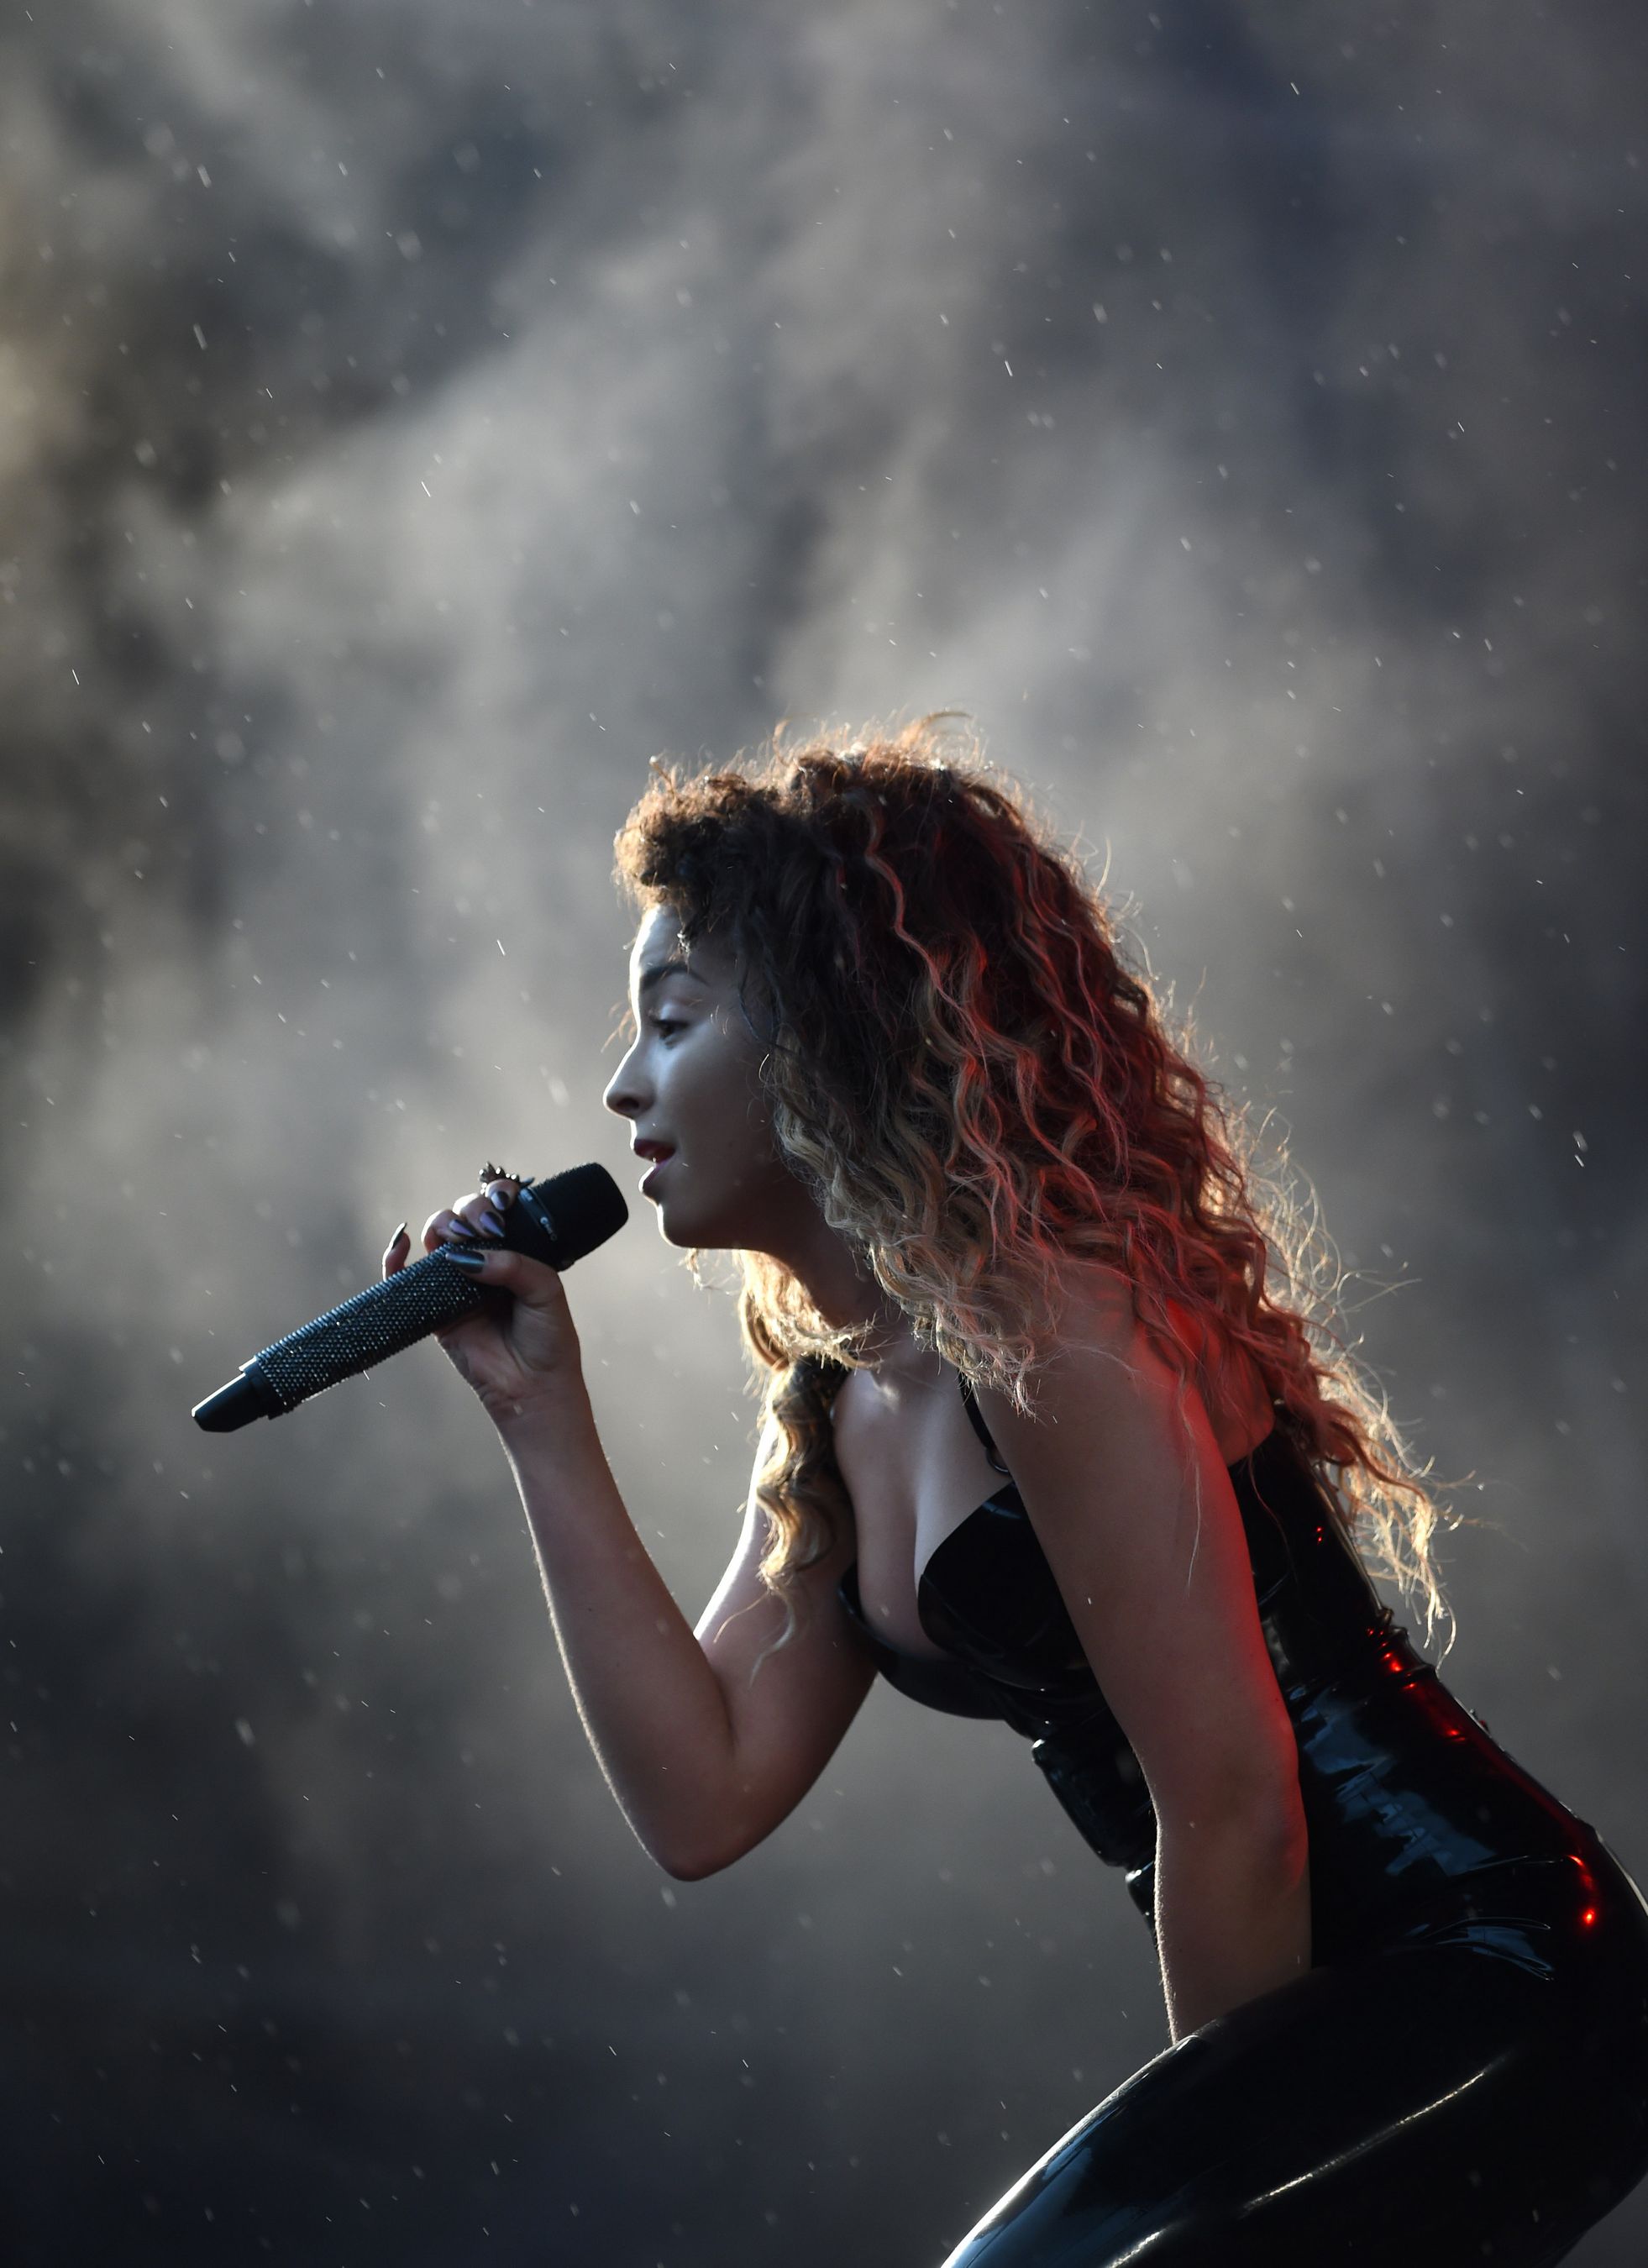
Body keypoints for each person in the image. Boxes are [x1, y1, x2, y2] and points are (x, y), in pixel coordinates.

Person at [383, 718, 1648, 2265]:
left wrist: (1211, 2206)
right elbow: (702, 1794)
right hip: (1316, 2019)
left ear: (824, 1022)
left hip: (1502, 1965)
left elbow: (1234, 1807)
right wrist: (538, 1415)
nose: (620, 1085)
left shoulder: (1048, 1325)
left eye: (669, 1018)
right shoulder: (848, 1397)